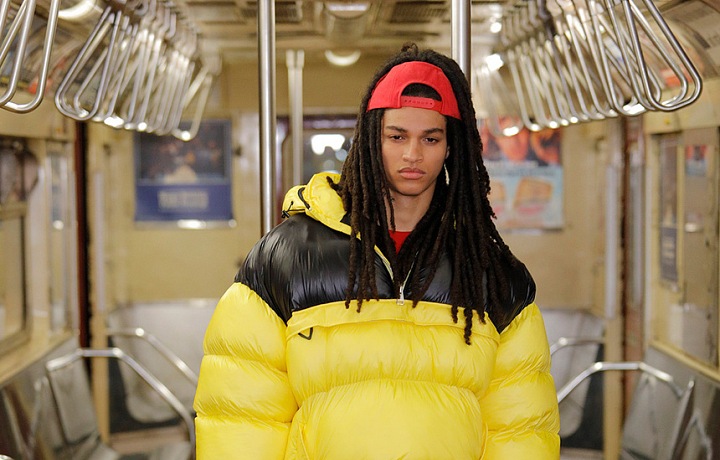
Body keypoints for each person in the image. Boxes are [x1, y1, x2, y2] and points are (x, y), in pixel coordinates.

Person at [193, 43, 560, 459]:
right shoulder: (289, 255)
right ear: (370, 139)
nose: (412, 155)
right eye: (397, 136)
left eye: (430, 138)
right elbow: (242, 417)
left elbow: (521, 428)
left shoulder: (489, 270)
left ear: (451, 147)